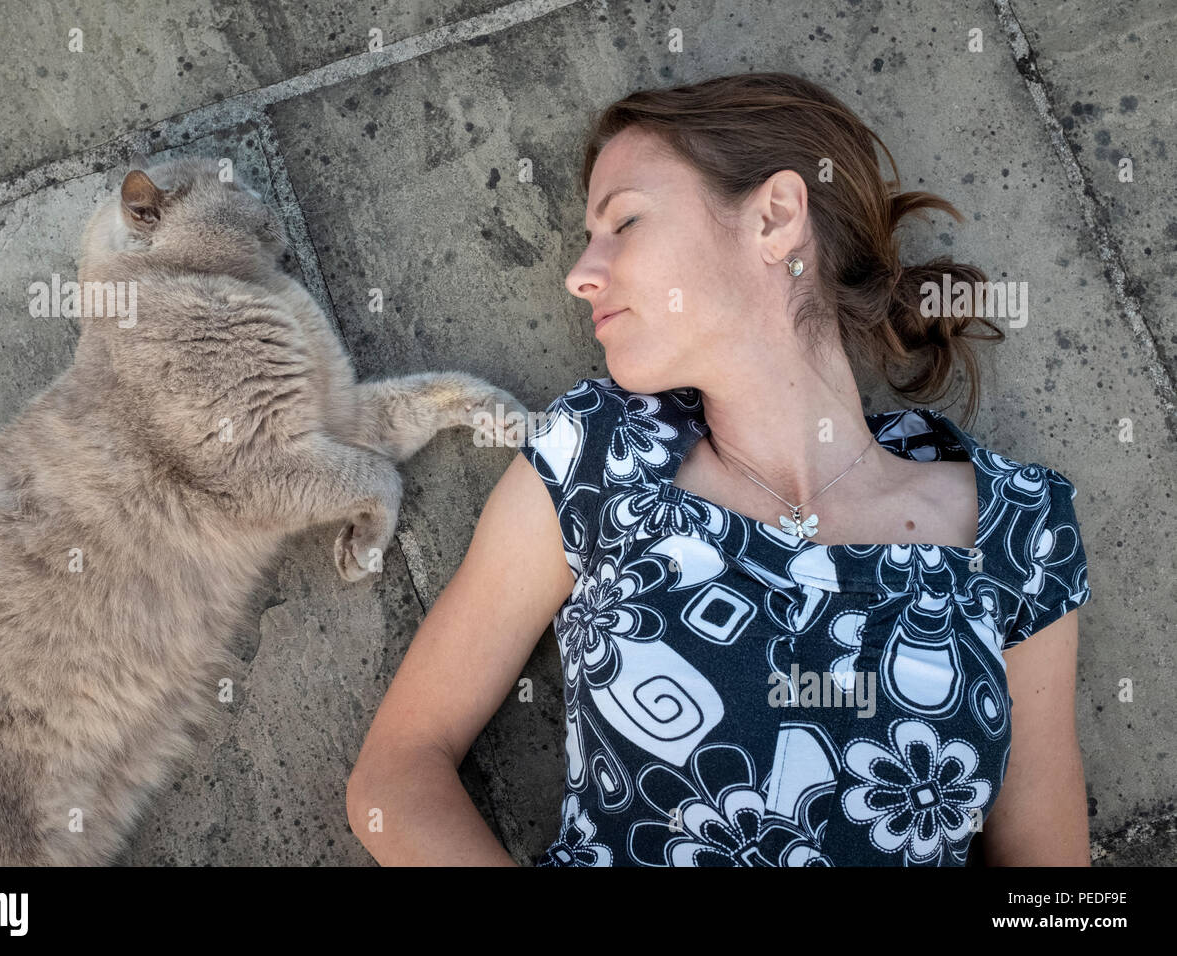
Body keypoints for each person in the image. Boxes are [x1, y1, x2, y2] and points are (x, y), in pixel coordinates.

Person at [345, 72, 1092, 866]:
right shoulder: (599, 459)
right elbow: (397, 777)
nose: (579, 274)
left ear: (774, 218)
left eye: (623, 221)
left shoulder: (1019, 529)